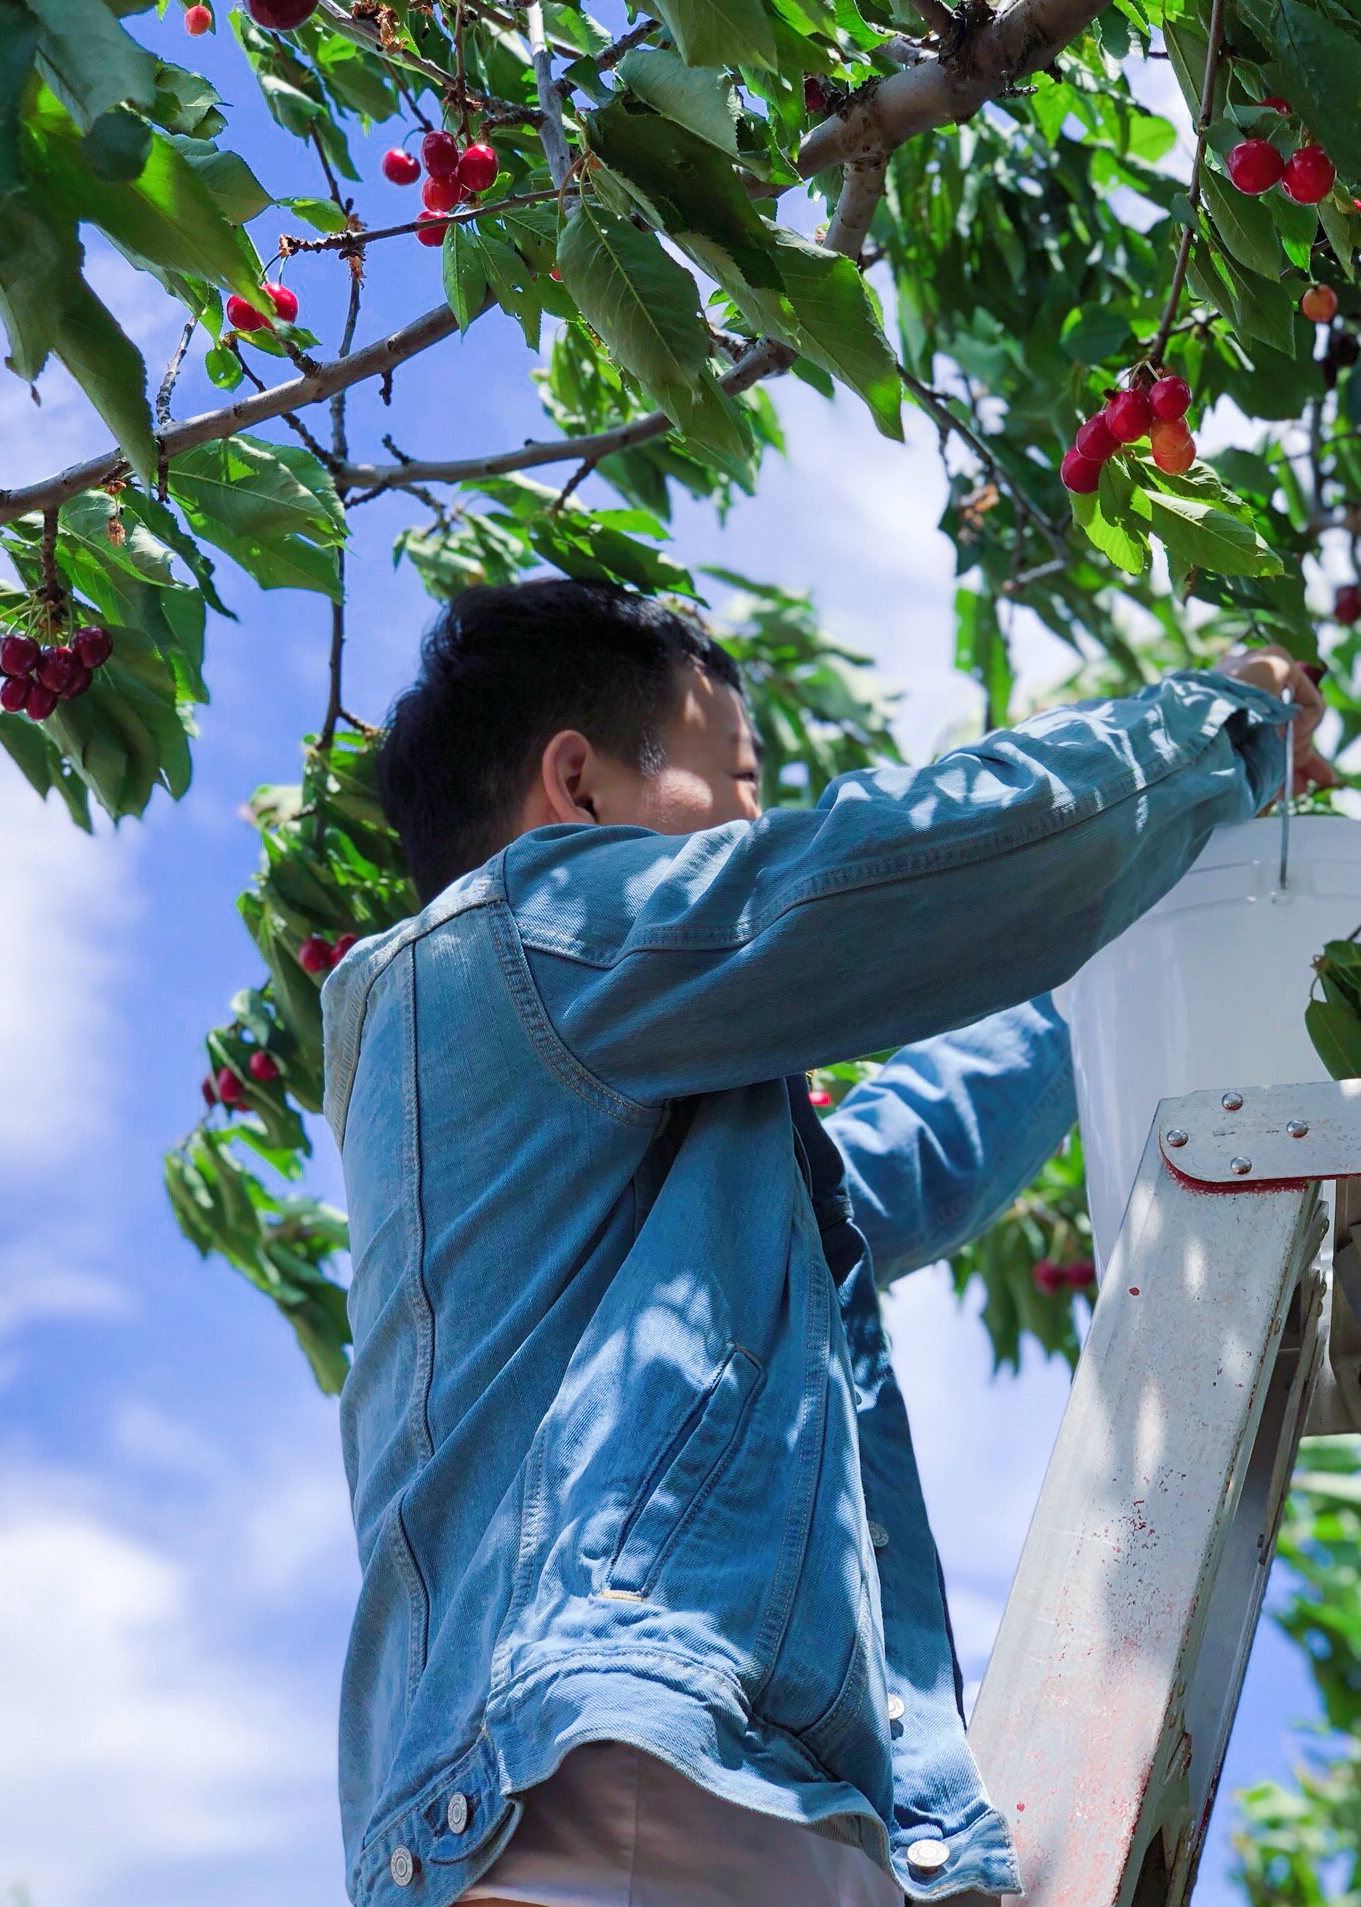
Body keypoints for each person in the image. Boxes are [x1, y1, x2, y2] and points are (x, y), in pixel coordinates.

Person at [322, 580, 1329, 1907]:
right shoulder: (516, 933)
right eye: (734, 779)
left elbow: (910, 1150)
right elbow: (857, 884)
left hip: (722, 1792)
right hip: (610, 1771)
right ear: (573, 786)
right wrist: (1215, 731)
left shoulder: (646, 1134)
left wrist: (1123, 905)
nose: (755, 819)